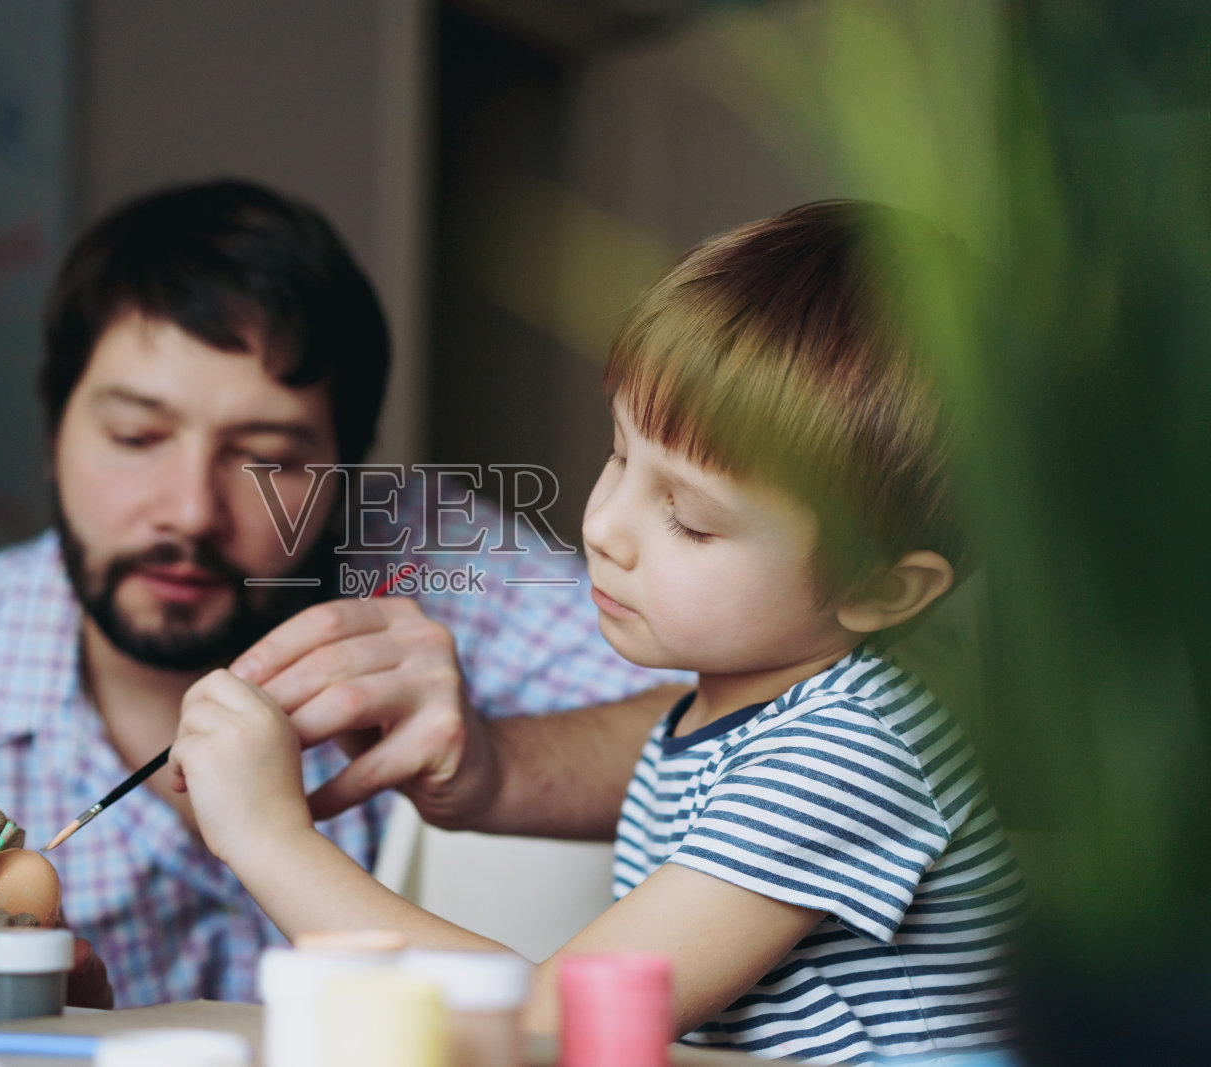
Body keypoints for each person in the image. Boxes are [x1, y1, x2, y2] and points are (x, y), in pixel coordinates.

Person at [171, 201, 1024, 1063]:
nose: (605, 526)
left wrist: (268, 838)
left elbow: (558, 1021)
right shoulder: (735, 712)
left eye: (688, 519)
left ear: (883, 587)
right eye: (619, 454)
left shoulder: (855, 744)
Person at [0, 179, 684, 1006]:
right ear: (54, 433)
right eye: (136, 436)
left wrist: (504, 763)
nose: (191, 511)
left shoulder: (427, 556)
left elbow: (783, 726)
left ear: (349, 473)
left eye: (267, 457)